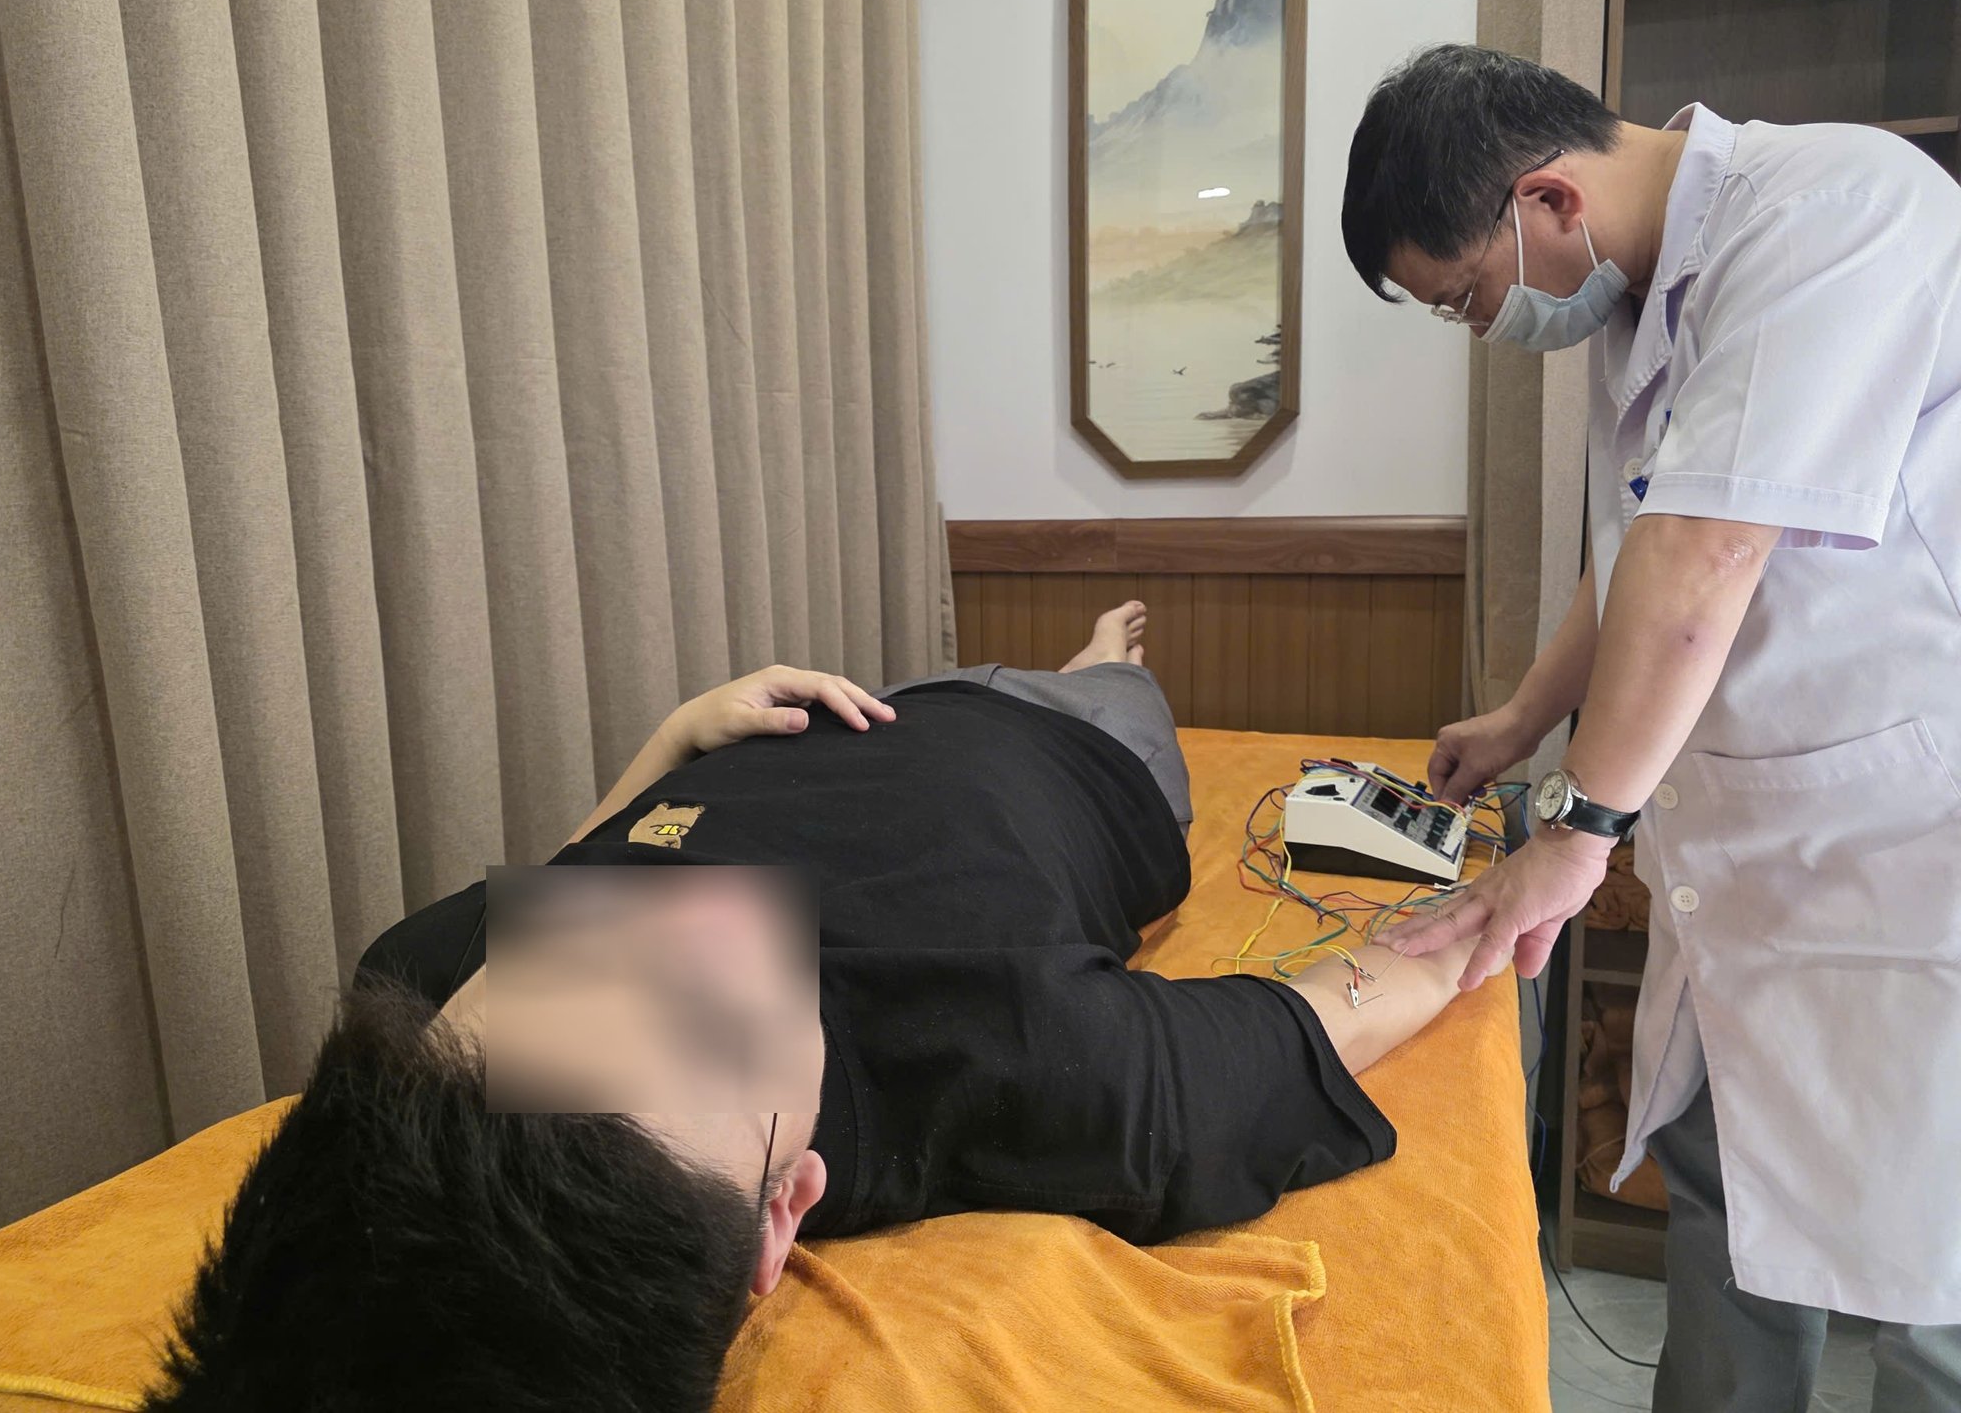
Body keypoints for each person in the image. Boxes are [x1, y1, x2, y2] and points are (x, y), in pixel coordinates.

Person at [144, 602, 1484, 1413]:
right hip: (1074, 752)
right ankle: (1090, 653)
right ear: (784, 1213)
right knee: (1113, 678)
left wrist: (673, 742)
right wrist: (1546, 862)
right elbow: (1357, 994)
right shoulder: (1034, 1061)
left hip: (847, 715)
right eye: (708, 1013)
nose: (689, 923)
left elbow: (574, 869)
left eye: (572, 987)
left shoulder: (418, 982)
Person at [1341, 42, 1961, 1409]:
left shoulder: (1834, 210)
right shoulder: (1635, 303)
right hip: (1758, 838)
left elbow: (1705, 549)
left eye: (1468, 297)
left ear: (1549, 200)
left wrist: (1576, 836)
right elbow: (1634, 547)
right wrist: (1524, 717)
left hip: (1910, 824)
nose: (1483, 328)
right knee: (1729, 1190)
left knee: (1937, 1259)